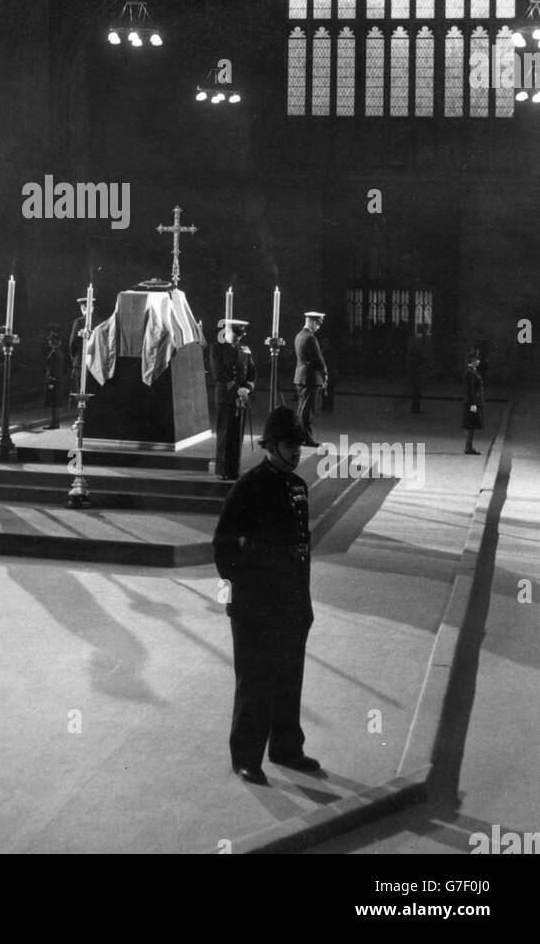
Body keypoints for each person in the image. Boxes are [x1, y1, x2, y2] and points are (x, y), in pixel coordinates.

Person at [212, 405, 320, 786]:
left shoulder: (297, 486)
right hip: (255, 607)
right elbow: (223, 545)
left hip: (292, 605)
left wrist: (303, 605)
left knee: (289, 678)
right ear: (271, 445)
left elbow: (301, 551)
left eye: (299, 445)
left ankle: (287, 747)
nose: (297, 451)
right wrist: (245, 588)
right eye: (291, 444)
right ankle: (246, 757)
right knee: (255, 682)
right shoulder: (251, 485)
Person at [209, 318, 256, 480]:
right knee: (225, 435)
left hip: (241, 397)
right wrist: (239, 390)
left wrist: (248, 388)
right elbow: (218, 374)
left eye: (241, 334)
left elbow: (252, 372)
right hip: (226, 397)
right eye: (236, 333)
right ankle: (223, 470)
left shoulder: (245, 349)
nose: (239, 337)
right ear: (227, 330)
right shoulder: (217, 348)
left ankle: (234, 469)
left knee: (237, 435)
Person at [293, 310, 327, 446]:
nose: (318, 327)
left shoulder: (299, 335)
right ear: (313, 322)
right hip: (310, 378)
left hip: (300, 377)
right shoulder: (310, 337)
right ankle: (306, 438)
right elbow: (318, 359)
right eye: (318, 324)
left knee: (302, 408)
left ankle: (300, 436)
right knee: (308, 410)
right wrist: (324, 371)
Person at [43, 327, 66, 430]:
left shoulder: (54, 353)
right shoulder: (59, 352)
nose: (49, 341)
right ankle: (56, 422)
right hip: (59, 380)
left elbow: (53, 368)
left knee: (53, 402)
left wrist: (51, 381)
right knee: (57, 402)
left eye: (50, 340)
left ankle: (54, 423)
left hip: (54, 380)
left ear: (54, 341)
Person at [463, 347, 484, 455]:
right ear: (473, 361)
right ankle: (468, 447)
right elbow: (470, 389)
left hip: (472, 401)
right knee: (471, 426)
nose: (479, 361)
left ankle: (468, 446)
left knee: (471, 425)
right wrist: (474, 404)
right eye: (477, 359)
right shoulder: (470, 373)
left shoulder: (472, 371)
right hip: (472, 402)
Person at [407, 324, 432, 414]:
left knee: (416, 388)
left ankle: (415, 406)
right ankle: (416, 407)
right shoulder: (421, 341)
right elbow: (424, 353)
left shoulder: (413, 339)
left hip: (415, 366)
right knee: (418, 388)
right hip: (419, 366)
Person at [318, 333, 336, 412]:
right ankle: (328, 405)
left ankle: (326, 405)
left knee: (327, 390)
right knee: (328, 390)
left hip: (328, 373)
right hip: (329, 373)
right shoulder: (329, 351)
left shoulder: (326, 352)